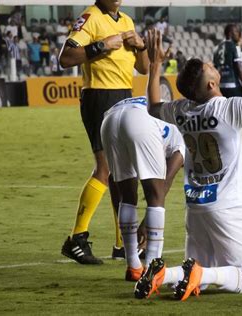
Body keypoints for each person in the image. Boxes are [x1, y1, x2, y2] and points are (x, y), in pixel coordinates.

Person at [135, 16, 242, 301]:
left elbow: (152, 107)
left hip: (196, 205)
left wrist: (154, 64)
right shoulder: (229, 108)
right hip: (227, 205)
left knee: (197, 273)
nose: (214, 65)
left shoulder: (182, 110)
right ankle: (196, 274)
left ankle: (165, 274)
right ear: (212, 82)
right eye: (211, 67)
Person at [59, 0, 149, 265]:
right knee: (105, 168)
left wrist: (141, 45)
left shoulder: (127, 21)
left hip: (124, 95)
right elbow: (66, 57)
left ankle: (123, 244)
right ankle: (76, 239)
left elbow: (143, 68)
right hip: (99, 95)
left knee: (121, 173)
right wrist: (102, 45)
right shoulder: (90, 17)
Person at [100, 96, 184, 281]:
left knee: (127, 196)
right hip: (138, 121)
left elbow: (113, 182)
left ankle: (134, 267)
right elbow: (164, 184)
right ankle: (153, 267)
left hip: (109, 120)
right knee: (155, 193)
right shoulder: (183, 137)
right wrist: (145, 224)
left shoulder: (166, 111)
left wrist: (125, 224)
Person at [213, 24, 242, 137]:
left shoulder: (217, 47)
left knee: (224, 114)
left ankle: (224, 136)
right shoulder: (232, 46)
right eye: (235, 32)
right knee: (239, 110)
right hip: (233, 84)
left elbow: (215, 67)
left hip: (221, 85)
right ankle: (239, 137)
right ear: (229, 33)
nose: (238, 34)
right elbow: (238, 66)